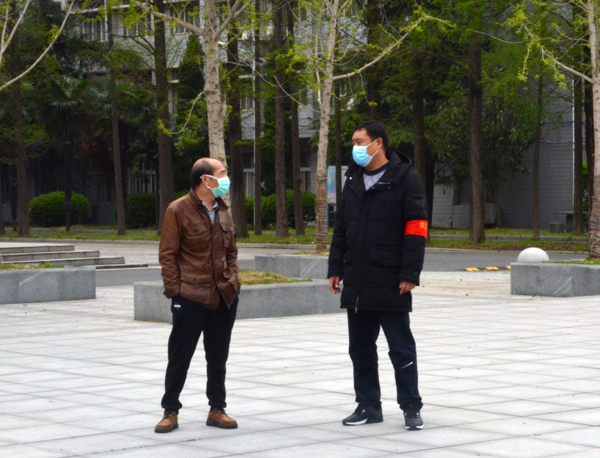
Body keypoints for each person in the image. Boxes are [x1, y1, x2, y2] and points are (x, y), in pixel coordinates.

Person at [328, 120, 428, 430]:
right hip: (357, 280)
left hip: (390, 280)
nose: (355, 148)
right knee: (360, 349)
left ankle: (411, 406)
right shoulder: (354, 179)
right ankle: (368, 405)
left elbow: (417, 228)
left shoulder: (405, 179)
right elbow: (341, 228)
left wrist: (410, 272)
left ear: (378, 143)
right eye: (353, 142)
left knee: (401, 348)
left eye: (360, 141)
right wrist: (335, 268)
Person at [154, 157, 241, 433]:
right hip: (190, 296)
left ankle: (217, 409)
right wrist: (175, 292)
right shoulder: (178, 209)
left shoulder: (223, 210)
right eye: (222, 173)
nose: (226, 178)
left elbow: (231, 252)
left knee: (218, 358)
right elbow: (168, 255)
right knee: (179, 356)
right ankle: (170, 410)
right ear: (206, 179)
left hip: (223, 296)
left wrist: (233, 281)